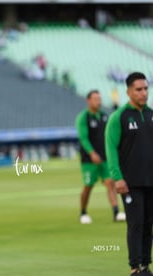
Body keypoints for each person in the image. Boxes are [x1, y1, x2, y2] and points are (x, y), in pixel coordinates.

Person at [105, 72, 153, 276]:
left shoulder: (151, 114)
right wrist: (117, 177)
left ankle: (145, 266)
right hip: (130, 181)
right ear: (128, 91)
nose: (143, 93)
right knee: (136, 224)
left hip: (151, 179)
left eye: (146, 89)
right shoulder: (120, 117)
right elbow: (111, 148)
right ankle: (135, 268)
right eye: (138, 89)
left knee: (148, 223)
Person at [75, 90, 125, 224]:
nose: (98, 101)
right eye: (95, 99)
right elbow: (83, 138)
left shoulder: (104, 116)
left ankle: (116, 212)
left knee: (111, 183)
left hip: (104, 158)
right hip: (89, 161)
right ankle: (83, 212)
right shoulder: (83, 117)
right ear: (89, 101)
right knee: (88, 186)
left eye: (99, 98)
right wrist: (92, 153)